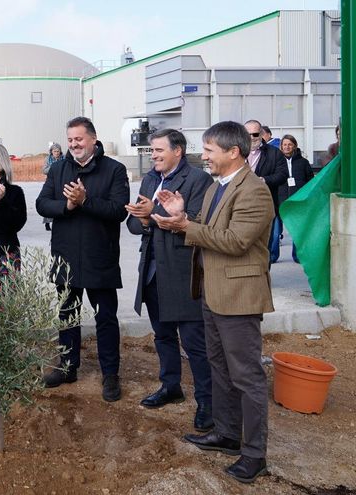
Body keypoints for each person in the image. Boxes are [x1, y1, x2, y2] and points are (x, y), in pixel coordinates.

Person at [152, 121, 275, 485]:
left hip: (238, 297)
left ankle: (254, 454)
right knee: (219, 369)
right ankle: (226, 433)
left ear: (232, 152)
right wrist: (182, 213)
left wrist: (183, 227)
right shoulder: (216, 188)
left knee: (246, 376)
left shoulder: (254, 191)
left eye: (209, 150)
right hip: (211, 292)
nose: (203, 156)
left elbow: (235, 241)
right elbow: (207, 228)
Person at [124, 129, 214, 431]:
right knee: (162, 335)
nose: (155, 155)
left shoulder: (198, 181)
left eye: (160, 150)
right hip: (151, 271)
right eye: (152, 151)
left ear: (178, 151)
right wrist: (144, 218)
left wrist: (154, 213)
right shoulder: (150, 179)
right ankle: (171, 386)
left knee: (194, 343)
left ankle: (207, 404)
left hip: (182, 272)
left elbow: (198, 223)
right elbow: (133, 225)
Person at [35, 116, 129, 402]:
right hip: (66, 258)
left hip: (100, 258)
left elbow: (118, 211)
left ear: (93, 138)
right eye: (71, 139)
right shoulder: (59, 169)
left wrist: (86, 201)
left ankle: (110, 374)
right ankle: (67, 366)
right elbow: (42, 204)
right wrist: (67, 204)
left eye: (79, 139)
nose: (74, 144)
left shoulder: (114, 170)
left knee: (105, 319)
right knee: (67, 317)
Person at [243, 120, 287, 264]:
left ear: (261, 134)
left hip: (267, 205)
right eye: (247, 134)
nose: (251, 137)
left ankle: (264, 275)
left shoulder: (274, 153)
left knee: (268, 242)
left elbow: (282, 175)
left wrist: (264, 180)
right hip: (241, 205)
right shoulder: (236, 152)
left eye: (255, 134)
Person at [277, 135, 314, 263]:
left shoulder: (303, 162)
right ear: (281, 146)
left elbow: (310, 180)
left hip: (298, 200)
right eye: (284, 144)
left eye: (289, 144)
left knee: (297, 230)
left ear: (294, 146)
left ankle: (297, 255)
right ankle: (272, 256)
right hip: (281, 200)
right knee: (276, 231)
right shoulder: (277, 161)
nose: (287, 147)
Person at [43, 143, 64, 231]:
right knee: (48, 203)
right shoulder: (48, 159)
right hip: (51, 184)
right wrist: (54, 166)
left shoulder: (64, 158)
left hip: (62, 183)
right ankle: (47, 223)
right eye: (54, 151)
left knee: (60, 203)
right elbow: (44, 170)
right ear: (51, 152)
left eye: (58, 151)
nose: (56, 153)